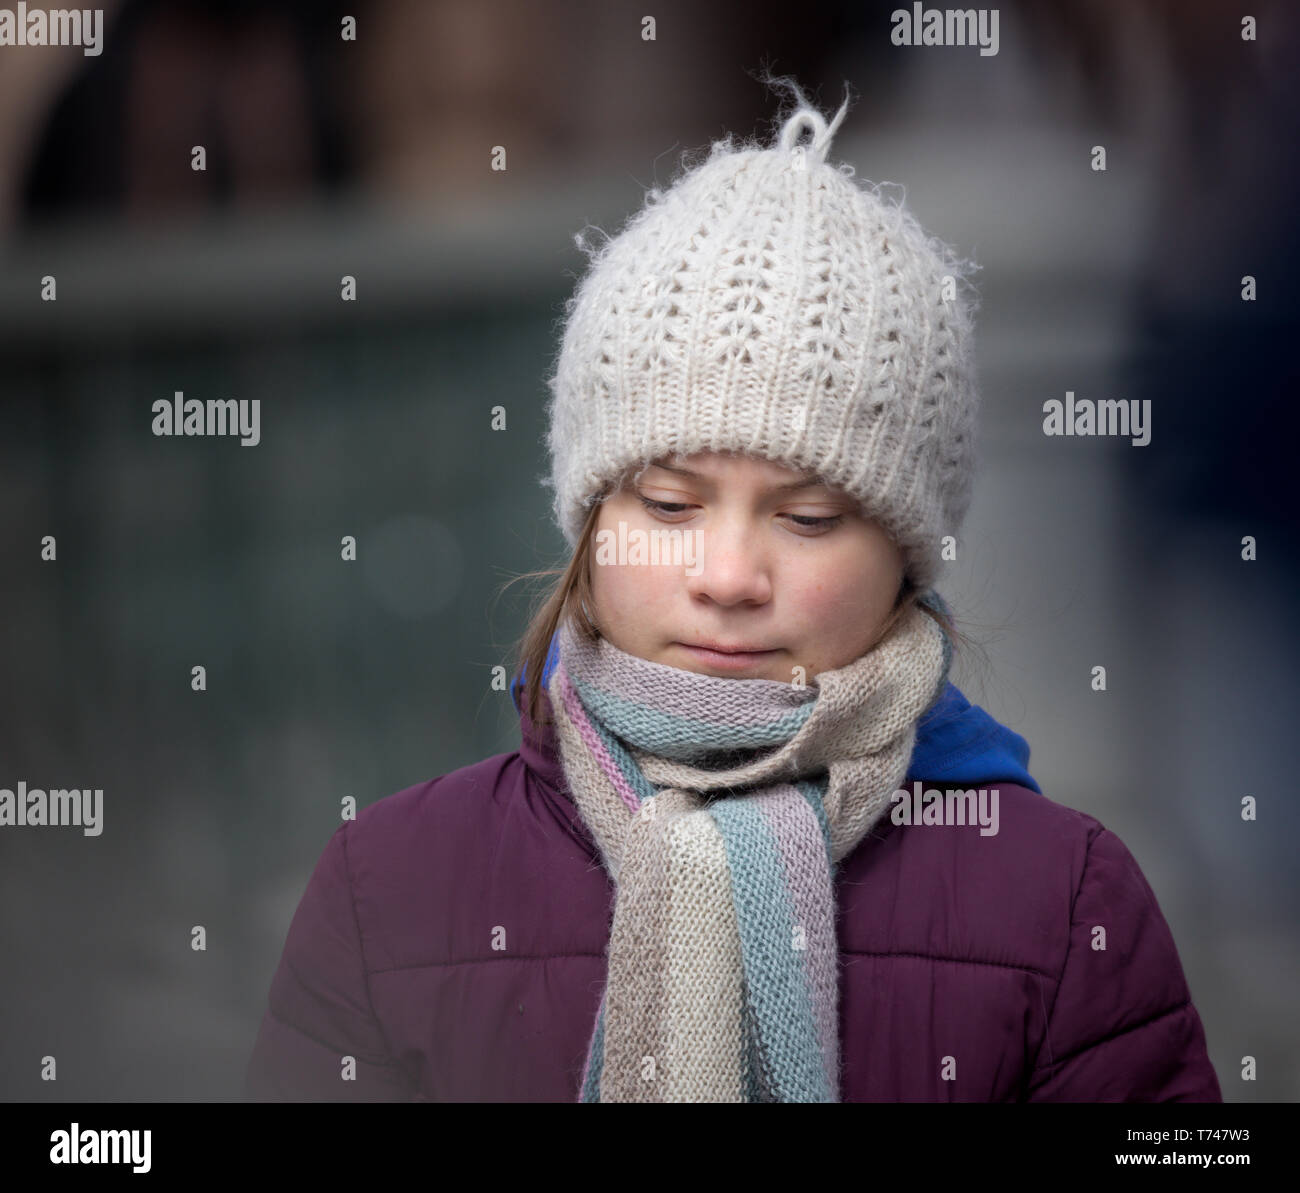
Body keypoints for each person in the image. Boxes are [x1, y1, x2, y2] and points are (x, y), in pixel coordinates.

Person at [243, 84, 1221, 1103]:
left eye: (805, 519)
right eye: (669, 504)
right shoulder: (393, 885)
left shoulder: (1062, 901)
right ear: (590, 521)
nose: (726, 577)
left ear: (904, 552)